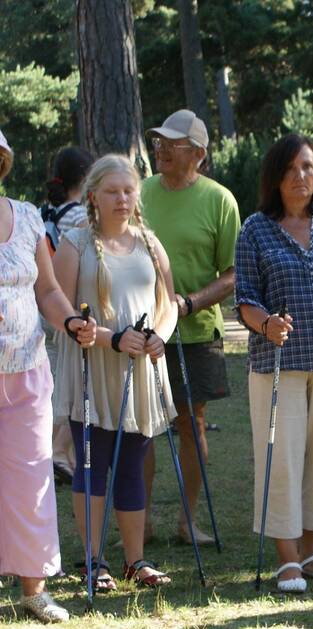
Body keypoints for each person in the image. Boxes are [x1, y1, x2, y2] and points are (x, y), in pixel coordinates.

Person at [53, 154, 179, 589]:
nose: (122, 199)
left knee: (132, 464)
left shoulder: (149, 242)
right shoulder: (75, 244)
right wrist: (109, 337)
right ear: (94, 196)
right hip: (92, 372)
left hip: (139, 372)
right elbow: (60, 308)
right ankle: (93, 561)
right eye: (112, 191)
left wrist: (159, 336)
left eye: (128, 191)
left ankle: (135, 560)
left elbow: (169, 306)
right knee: (92, 464)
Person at [235, 134, 313, 593]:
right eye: (290, 170)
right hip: (277, 363)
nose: (300, 177)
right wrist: (267, 325)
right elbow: (245, 297)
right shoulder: (256, 229)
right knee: (281, 459)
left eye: (307, 167)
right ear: (275, 178)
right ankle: (286, 558)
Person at [0, 128, 96, 622]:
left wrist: (72, 321)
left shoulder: (28, 217)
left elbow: (49, 292)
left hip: (26, 370)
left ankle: (33, 588)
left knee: (30, 474)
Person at [141, 109, 240, 544]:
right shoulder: (140, 193)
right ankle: (137, 523)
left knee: (191, 423)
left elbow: (235, 273)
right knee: (139, 426)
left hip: (194, 330)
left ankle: (188, 521)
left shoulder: (220, 200)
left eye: (171, 143)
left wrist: (189, 302)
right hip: (141, 330)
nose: (160, 148)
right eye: (158, 141)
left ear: (197, 153)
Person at [41, 146, 94, 485]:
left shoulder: (48, 211)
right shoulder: (80, 217)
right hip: (71, 306)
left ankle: (56, 452)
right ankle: (60, 453)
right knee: (73, 383)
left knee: (60, 378)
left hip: (50, 307)